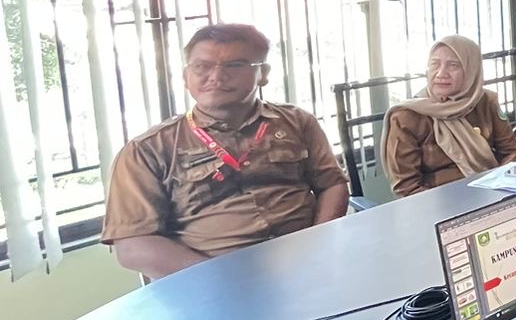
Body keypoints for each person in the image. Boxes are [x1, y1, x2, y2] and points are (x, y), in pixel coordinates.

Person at [101, 23, 349, 279]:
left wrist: (319, 243)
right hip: (210, 283)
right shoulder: (148, 150)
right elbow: (133, 247)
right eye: (201, 67)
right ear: (186, 77)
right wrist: (221, 279)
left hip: (309, 265)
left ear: (262, 73)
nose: (217, 76)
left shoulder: (297, 122)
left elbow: (332, 185)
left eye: (234, 65)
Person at [380, 36, 516, 197]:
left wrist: (500, 187)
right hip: (437, 206)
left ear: (471, 71)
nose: (441, 74)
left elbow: (512, 153)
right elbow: (407, 188)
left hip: (492, 192)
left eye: (453, 65)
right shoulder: (406, 116)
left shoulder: (485, 102)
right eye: (434, 64)